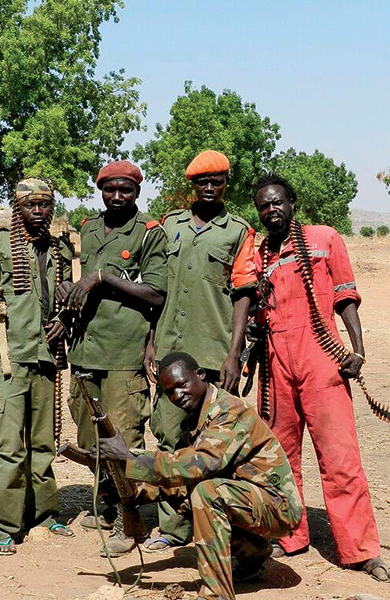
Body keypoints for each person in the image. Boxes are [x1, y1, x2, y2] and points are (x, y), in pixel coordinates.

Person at [250, 173, 390, 582]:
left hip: (321, 355)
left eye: (277, 201)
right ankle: (290, 535)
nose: (271, 209)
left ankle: (361, 550)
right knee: (280, 455)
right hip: (274, 360)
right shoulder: (258, 251)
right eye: (263, 205)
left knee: (339, 457)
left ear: (292, 202)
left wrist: (358, 348)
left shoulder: (325, 238)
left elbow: (345, 297)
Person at [93, 352, 303, 600]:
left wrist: (130, 460)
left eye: (182, 385)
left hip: (278, 507)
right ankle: (253, 555)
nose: (177, 395)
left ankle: (216, 594)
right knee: (190, 494)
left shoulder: (229, 412)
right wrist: (137, 492)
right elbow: (182, 477)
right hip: (248, 499)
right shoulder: (192, 421)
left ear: (200, 375)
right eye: (169, 392)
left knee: (207, 493)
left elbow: (200, 464)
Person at [144, 150, 257, 551]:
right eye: (202, 182)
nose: (210, 188)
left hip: (213, 354)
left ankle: (216, 523)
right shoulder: (169, 225)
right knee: (170, 437)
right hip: (173, 354)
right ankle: (173, 529)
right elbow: (157, 292)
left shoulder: (239, 231)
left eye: (218, 181)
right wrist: (152, 342)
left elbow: (244, 294)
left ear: (227, 184)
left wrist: (233, 354)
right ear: (192, 185)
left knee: (216, 444)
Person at [56, 160, 167, 556]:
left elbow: (156, 293)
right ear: (100, 189)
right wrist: (72, 290)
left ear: (137, 193)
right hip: (86, 347)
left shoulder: (149, 233)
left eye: (126, 191)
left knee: (122, 439)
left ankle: (129, 520)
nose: (117, 197)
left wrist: (101, 278)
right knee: (89, 436)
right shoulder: (87, 228)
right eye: (110, 190)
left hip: (125, 352)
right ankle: (105, 506)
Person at [0, 178, 75, 555]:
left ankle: (44, 513)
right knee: (9, 446)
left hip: (46, 359)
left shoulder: (59, 250)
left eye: (45, 204)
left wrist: (63, 318)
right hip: (10, 361)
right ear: (18, 208)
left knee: (43, 444)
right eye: (31, 205)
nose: (38, 211)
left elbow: (65, 298)